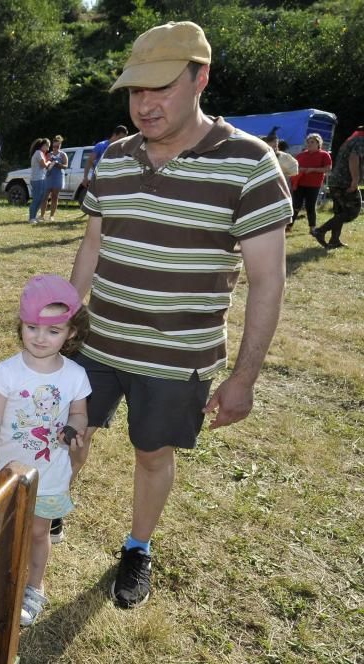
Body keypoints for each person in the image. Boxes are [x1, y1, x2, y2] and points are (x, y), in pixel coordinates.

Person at [70, 21, 290, 610]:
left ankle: (137, 546)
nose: (145, 105)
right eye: (136, 92)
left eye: (160, 89)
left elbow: (269, 280)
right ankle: (54, 508)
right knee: (69, 431)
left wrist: (244, 378)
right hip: (97, 343)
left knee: (152, 452)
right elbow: (92, 246)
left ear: (201, 78)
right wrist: (67, 316)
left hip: (176, 358)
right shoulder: (113, 159)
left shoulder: (249, 164)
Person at [0, 274, 91, 626]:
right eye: (32, 328)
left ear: (71, 332)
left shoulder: (75, 376)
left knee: (39, 532)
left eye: (53, 331)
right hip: (7, 474)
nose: (40, 338)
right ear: (21, 325)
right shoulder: (6, 373)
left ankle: (34, 586)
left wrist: (74, 429)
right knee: (3, 533)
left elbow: (79, 413)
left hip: (50, 475)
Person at [312, 125, 363, 250]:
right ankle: (320, 231)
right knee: (352, 211)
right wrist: (355, 181)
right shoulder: (361, 140)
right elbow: (353, 158)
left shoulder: (351, 140)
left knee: (340, 212)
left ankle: (334, 240)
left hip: (336, 181)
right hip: (345, 182)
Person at [291, 133, 332, 232]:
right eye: (308, 142)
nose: (309, 144)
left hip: (314, 185)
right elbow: (294, 168)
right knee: (295, 205)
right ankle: (288, 226)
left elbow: (327, 169)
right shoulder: (301, 155)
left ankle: (312, 228)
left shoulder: (324, 155)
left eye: (312, 142)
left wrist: (312, 169)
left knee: (310, 206)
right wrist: (299, 169)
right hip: (299, 183)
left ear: (318, 143)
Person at [44, 135, 68, 222]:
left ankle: (51, 216)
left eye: (57, 146)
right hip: (49, 176)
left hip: (58, 177)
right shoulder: (49, 154)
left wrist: (58, 164)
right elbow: (45, 166)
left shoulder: (63, 154)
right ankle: (42, 215)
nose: (55, 148)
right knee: (45, 196)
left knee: (54, 196)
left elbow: (66, 166)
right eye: (54, 146)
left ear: (60, 146)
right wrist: (49, 163)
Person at [27, 138, 51, 223]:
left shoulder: (40, 153)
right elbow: (43, 165)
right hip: (37, 179)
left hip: (41, 178)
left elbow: (43, 167)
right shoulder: (38, 153)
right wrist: (49, 162)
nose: (48, 149)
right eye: (47, 146)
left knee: (41, 198)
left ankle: (34, 217)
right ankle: (31, 218)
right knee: (37, 199)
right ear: (43, 145)